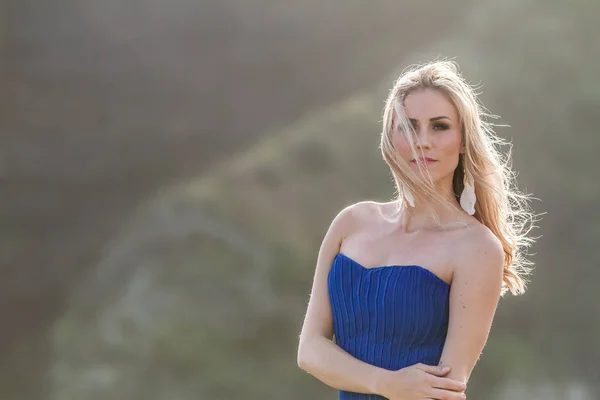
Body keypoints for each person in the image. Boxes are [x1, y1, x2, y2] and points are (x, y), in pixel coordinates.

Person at [296, 60, 536, 399]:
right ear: (391, 138)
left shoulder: (477, 247)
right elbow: (309, 350)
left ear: (464, 140)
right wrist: (386, 384)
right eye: (408, 127)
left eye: (439, 127)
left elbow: (447, 389)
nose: (423, 141)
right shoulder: (351, 223)